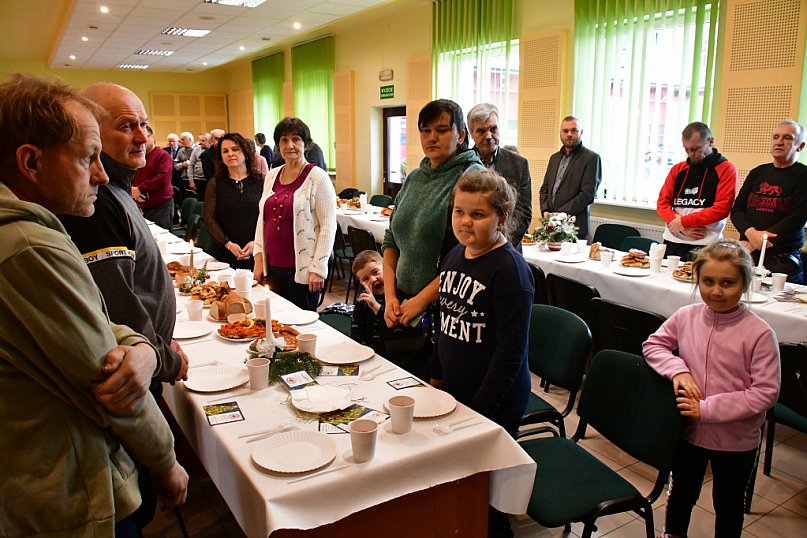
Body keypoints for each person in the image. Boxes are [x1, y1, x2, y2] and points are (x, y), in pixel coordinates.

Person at [0, 72, 188, 536]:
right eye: (88, 158)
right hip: (68, 489)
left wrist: (142, 348)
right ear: (30, 162)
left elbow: (100, 325)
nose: (100, 174)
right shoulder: (29, 247)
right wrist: (166, 462)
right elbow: (108, 375)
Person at [59, 81, 189, 530]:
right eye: (126, 125)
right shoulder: (96, 202)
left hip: (147, 364)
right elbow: (119, 308)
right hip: (134, 377)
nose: (142, 136)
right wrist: (167, 359)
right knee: (133, 506)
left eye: (145, 125)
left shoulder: (112, 192)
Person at [643, 240, 780, 538]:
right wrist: (678, 370)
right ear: (697, 279)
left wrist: (706, 409)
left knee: (728, 504)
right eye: (708, 281)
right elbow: (653, 345)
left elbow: (765, 392)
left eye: (728, 283)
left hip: (736, 441)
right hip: (688, 433)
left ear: (744, 283)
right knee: (681, 494)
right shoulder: (686, 316)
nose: (716, 291)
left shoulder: (759, 333)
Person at [431, 168, 534, 538]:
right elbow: (444, 316)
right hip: (458, 389)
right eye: (459, 212)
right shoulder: (457, 255)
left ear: (502, 219)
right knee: (462, 477)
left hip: (494, 400)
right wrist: (437, 373)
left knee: (488, 491)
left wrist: (481, 410)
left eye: (478, 215)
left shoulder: (511, 272)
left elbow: (510, 354)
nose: (465, 222)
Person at [382, 99, 483, 378]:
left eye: (441, 130)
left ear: (461, 135)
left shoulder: (471, 176)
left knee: (432, 397)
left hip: (444, 311)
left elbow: (467, 257)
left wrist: (421, 301)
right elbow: (392, 240)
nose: (432, 138)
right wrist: (390, 296)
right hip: (403, 303)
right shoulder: (415, 177)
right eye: (425, 131)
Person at [253, 117, 337, 310]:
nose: (290, 145)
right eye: (284, 140)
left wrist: (318, 268)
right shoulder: (272, 175)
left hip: (303, 270)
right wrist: (258, 258)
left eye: (296, 139)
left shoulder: (317, 177)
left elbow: (328, 226)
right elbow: (262, 219)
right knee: (276, 320)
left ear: (306, 144)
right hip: (272, 265)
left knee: (300, 326)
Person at [731, 119, 807, 283]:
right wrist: (751, 234)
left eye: (788, 138)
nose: (779, 142)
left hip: (781, 260)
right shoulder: (757, 172)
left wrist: (760, 241)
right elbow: (737, 210)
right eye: (776, 137)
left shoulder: (803, 175)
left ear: (800, 146)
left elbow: (797, 218)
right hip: (747, 254)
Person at [657, 122, 737, 260]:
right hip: (673, 242)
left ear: (710, 142)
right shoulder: (678, 169)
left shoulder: (726, 169)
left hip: (706, 245)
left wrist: (684, 222)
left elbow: (722, 209)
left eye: (695, 149)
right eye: (686, 149)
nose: (690, 154)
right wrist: (680, 225)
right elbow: (662, 204)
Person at [466, 103, 532, 249]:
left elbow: (524, 213)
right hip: (470, 248)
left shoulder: (519, 164)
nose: (489, 136)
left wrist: (500, 244)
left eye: (493, 129)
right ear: (471, 133)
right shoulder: (462, 164)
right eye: (481, 131)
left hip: (507, 248)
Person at [204, 132, 264, 270]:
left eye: (235, 149)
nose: (230, 154)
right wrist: (228, 244)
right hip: (225, 252)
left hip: (257, 251)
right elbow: (209, 219)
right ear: (221, 157)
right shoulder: (215, 184)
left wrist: (258, 242)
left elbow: (269, 218)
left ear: (245, 151)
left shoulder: (262, 181)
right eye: (225, 151)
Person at [539, 116, 602, 239]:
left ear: (581, 132)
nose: (569, 134)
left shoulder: (591, 159)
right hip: (551, 225)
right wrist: (545, 211)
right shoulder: (554, 158)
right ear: (560, 133)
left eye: (574, 130)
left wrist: (561, 214)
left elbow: (587, 195)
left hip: (574, 228)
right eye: (565, 131)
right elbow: (545, 189)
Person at [132, 124, 174, 229]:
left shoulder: (162, 155)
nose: (142, 142)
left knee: (162, 238)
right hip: (144, 205)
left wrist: (140, 189)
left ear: (153, 138)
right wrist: (136, 192)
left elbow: (162, 178)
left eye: (145, 137)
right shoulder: (140, 156)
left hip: (161, 207)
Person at [350, 249, 386, 355]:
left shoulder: (397, 293)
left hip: (393, 354)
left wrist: (375, 305)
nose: (373, 279)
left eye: (375, 272)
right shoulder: (363, 300)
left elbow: (394, 324)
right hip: (370, 352)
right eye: (366, 279)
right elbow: (356, 329)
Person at [188, 131, 211, 198]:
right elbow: (191, 165)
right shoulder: (196, 150)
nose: (200, 143)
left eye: (203, 140)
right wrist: (191, 181)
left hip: (209, 180)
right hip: (198, 180)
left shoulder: (212, 151)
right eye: (200, 140)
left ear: (209, 141)